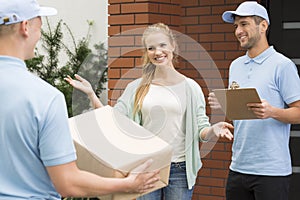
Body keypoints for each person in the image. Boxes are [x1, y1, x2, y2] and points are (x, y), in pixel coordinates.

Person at [0, 0, 160, 199]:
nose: (39, 36)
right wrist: (127, 184)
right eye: (39, 26)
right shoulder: (44, 98)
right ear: (25, 27)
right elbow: (67, 183)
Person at [65, 22, 234, 200]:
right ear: (146, 52)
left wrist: (213, 130)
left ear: (173, 46)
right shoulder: (136, 87)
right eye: (151, 48)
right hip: (145, 167)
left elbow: (201, 131)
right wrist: (92, 94)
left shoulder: (191, 87)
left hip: (179, 170)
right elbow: (114, 119)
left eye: (162, 45)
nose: (157, 52)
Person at [208, 1, 300, 200]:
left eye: (244, 24)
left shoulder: (282, 65)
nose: (238, 31)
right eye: (236, 26)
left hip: (271, 172)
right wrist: (225, 104)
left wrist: (273, 112)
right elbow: (243, 113)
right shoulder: (235, 66)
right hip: (238, 167)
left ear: (263, 26)